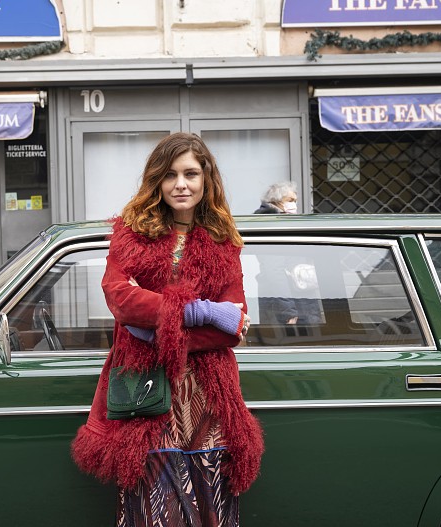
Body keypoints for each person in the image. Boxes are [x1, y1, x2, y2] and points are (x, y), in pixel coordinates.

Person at [71, 132, 264, 526]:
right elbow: (121, 299)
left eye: (190, 174)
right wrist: (203, 311)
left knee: (211, 504)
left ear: (206, 179)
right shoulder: (131, 235)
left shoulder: (223, 241)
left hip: (208, 396)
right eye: (170, 175)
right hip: (147, 393)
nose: (181, 184)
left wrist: (152, 327)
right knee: (153, 508)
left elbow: (231, 328)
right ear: (157, 181)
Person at [253, 181, 322, 327]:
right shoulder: (272, 226)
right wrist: (288, 312)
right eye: (290, 200)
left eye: (295, 201)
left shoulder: (280, 223)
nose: (294, 205)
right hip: (292, 309)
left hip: (297, 303)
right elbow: (274, 270)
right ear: (276, 201)